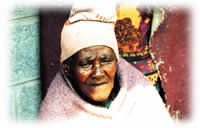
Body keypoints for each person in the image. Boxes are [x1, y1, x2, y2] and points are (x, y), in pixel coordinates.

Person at [39, 4, 174, 127]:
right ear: (68, 69)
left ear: (117, 61)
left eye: (106, 61)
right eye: (86, 64)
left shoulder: (141, 96)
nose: (97, 73)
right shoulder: (55, 114)